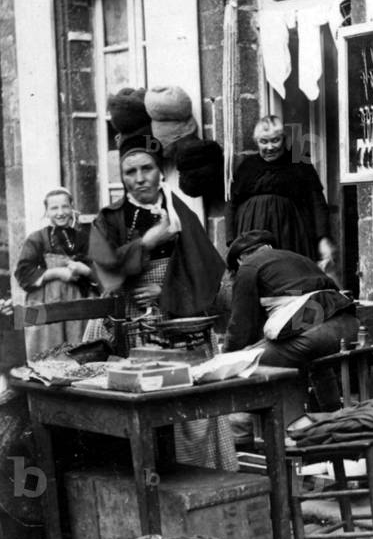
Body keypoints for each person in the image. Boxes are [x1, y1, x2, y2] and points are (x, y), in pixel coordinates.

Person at [85, 133, 233, 470]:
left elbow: (210, 277)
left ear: (160, 171)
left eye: (147, 169)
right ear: (122, 178)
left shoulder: (180, 213)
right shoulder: (109, 218)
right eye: (130, 172)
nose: (139, 179)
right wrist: (148, 242)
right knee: (135, 410)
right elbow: (104, 273)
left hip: (180, 319)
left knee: (187, 412)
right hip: (130, 322)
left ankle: (199, 487)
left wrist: (165, 294)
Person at [223, 229, 358, 439]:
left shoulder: (249, 267)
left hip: (314, 331)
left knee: (251, 361)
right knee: (311, 359)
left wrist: (225, 360)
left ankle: (292, 430)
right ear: (268, 247)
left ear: (240, 259)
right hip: (347, 326)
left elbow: (241, 326)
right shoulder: (298, 258)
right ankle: (334, 418)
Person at [225, 115, 335, 269]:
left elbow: (317, 202)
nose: (270, 147)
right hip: (253, 236)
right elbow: (232, 204)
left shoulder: (299, 163)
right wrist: (232, 242)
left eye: (275, 140)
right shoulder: (247, 167)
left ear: (284, 139)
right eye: (264, 141)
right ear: (257, 142)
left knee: (292, 279)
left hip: (291, 234)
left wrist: (323, 239)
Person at [14, 188, 95, 358]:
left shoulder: (83, 238)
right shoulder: (36, 239)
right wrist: (57, 273)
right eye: (54, 208)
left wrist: (83, 270)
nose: (60, 213)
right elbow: (22, 273)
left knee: (78, 352)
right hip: (43, 302)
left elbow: (98, 272)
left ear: (72, 207)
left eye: (65, 207)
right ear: (46, 211)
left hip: (76, 301)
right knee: (44, 353)